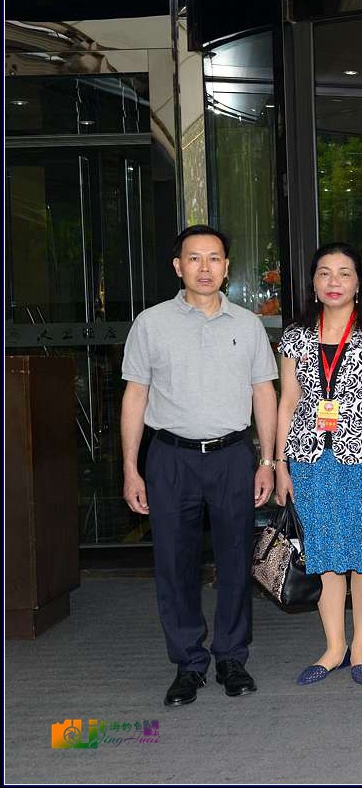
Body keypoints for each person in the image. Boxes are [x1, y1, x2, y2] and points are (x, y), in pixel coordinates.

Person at [120, 224, 278, 708]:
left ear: (227, 267)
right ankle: (188, 663)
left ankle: (231, 657)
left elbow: (264, 393)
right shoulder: (151, 323)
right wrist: (130, 468)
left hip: (232, 457)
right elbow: (135, 396)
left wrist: (268, 460)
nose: (204, 267)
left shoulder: (247, 325)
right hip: (170, 458)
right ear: (178, 266)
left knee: (236, 560)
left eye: (214, 258)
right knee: (174, 564)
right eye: (194, 258)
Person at [272, 243, 362, 687]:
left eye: (344, 273)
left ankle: (361, 645)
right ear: (313, 282)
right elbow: (287, 403)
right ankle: (333, 647)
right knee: (323, 553)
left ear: (358, 282)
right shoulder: (296, 335)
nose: (334, 282)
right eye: (325, 273)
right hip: (310, 459)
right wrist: (280, 464)